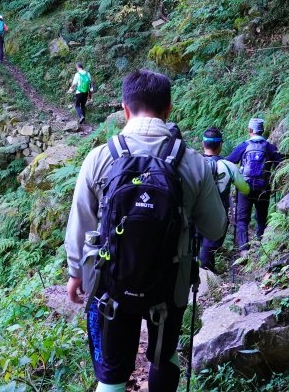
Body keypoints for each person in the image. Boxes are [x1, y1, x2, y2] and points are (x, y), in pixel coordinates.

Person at [65, 70, 226, 392]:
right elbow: (215, 227)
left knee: (111, 372)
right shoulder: (192, 162)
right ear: (168, 110)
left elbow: (81, 222)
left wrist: (75, 272)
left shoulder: (100, 157)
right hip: (170, 285)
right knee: (163, 357)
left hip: (111, 284)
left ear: (125, 109)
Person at [222, 117, 282, 252]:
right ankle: (261, 245)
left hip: (245, 187)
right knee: (261, 217)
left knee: (242, 219)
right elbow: (281, 164)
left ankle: (244, 250)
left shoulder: (244, 146)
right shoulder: (270, 147)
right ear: (263, 130)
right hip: (263, 188)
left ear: (250, 130)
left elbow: (228, 162)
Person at [197, 127, 249, 273]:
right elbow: (245, 189)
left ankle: (204, 271)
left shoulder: (193, 163)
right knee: (209, 245)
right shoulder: (229, 166)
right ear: (220, 145)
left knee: (195, 244)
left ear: (203, 144)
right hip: (218, 215)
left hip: (194, 212)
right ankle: (205, 272)